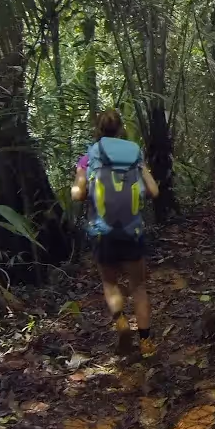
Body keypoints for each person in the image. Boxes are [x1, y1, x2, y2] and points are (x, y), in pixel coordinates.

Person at [72, 110, 160, 359]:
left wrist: (82, 188)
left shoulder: (88, 157)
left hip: (103, 233)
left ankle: (121, 322)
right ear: (121, 129)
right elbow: (153, 190)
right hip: (132, 231)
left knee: (110, 283)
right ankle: (146, 343)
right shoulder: (134, 154)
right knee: (139, 286)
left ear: (98, 129)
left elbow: (78, 194)